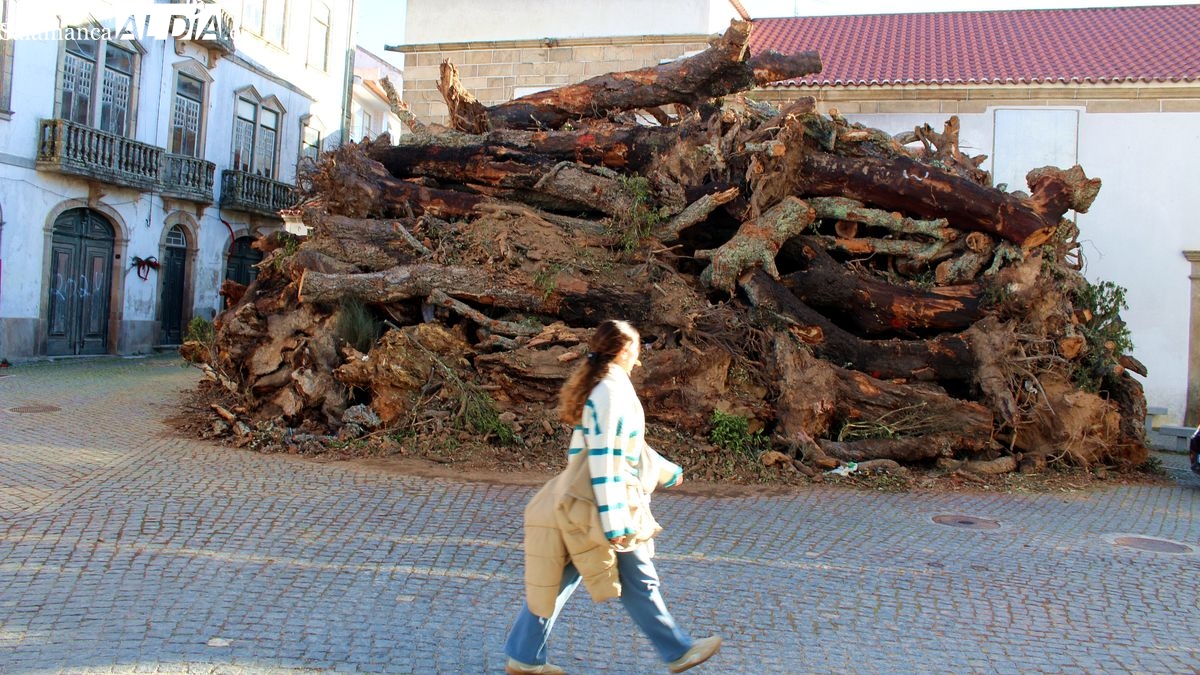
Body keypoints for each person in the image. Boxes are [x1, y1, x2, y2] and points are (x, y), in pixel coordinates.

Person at [503, 319, 722, 674]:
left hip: (587, 504)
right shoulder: (610, 392)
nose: (640, 357)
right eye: (636, 348)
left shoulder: (606, 386)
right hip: (603, 507)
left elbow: (624, 447)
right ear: (623, 351)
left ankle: (524, 657)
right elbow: (604, 459)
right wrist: (614, 521)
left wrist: (666, 471)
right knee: (640, 582)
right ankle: (679, 651)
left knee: (559, 578)